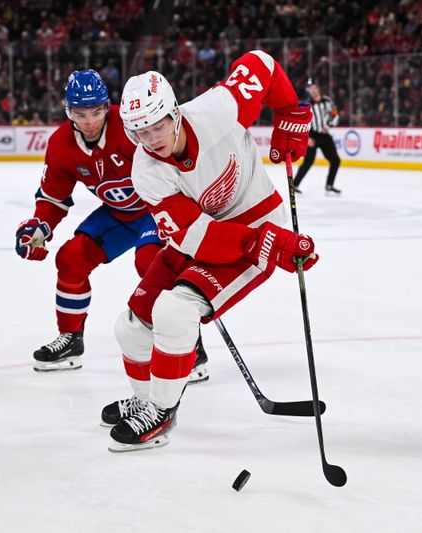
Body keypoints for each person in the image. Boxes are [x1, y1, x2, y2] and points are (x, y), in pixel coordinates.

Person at [101, 50, 319, 452]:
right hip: (209, 239)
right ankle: (148, 400)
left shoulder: (218, 109)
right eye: (140, 133)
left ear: (175, 113)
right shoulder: (146, 172)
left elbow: (261, 64)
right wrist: (261, 245)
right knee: (129, 328)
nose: (152, 140)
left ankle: (162, 413)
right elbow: (195, 237)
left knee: (175, 311)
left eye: (158, 126)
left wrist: (291, 109)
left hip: (258, 225)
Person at [15, 69, 209, 382]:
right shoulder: (61, 144)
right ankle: (71, 340)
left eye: (96, 111)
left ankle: (189, 345)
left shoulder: (132, 125)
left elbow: (176, 157)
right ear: (69, 113)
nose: (89, 121)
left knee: (150, 262)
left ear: (107, 107)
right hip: (119, 213)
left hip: (156, 208)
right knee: (71, 259)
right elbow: (53, 197)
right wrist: (38, 228)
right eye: (80, 114)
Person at [292, 78, 342, 195]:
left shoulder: (328, 102)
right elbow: (301, 122)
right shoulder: (306, 105)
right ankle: (295, 184)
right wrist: (307, 138)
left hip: (324, 135)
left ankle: (329, 185)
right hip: (312, 135)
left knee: (335, 161)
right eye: (310, 89)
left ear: (318, 88)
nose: (313, 91)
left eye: (314, 88)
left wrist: (330, 124)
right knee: (308, 162)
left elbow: (335, 114)